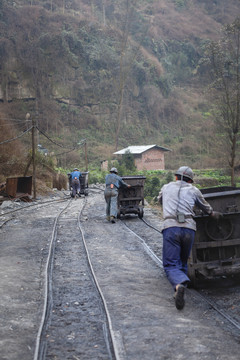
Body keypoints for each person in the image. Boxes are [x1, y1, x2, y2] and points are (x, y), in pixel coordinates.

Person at [158, 166, 222, 310]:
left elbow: (160, 200)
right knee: (182, 260)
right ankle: (179, 288)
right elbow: (207, 208)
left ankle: (180, 284)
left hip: (171, 227)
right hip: (189, 229)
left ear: (176, 177)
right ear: (190, 180)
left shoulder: (166, 187)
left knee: (170, 264)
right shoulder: (194, 190)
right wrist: (213, 214)